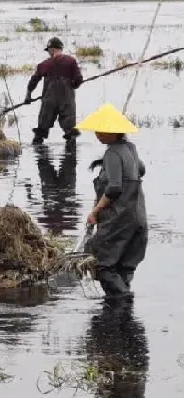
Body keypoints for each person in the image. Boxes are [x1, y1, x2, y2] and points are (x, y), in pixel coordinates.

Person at [76, 103, 148, 300]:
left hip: (119, 218)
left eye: (101, 130)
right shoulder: (130, 148)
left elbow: (115, 188)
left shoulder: (112, 153)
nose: (97, 133)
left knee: (101, 264)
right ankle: (124, 323)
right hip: (138, 217)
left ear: (114, 131)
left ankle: (123, 304)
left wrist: (96, 210)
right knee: (124, 267)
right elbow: (140, 171)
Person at [24, 36, 84, 145]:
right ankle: (70, 157)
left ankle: (39, 155)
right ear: (60, 49)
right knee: (71, 132)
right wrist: (73, 85)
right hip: (67, 100)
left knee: (40, 132)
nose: (49, 53)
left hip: (48, 101)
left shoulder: (44, 64)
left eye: (49, 51)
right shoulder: (71, 61)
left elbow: (34, 80)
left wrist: (28, 95)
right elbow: (79, 79)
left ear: (52, 50)